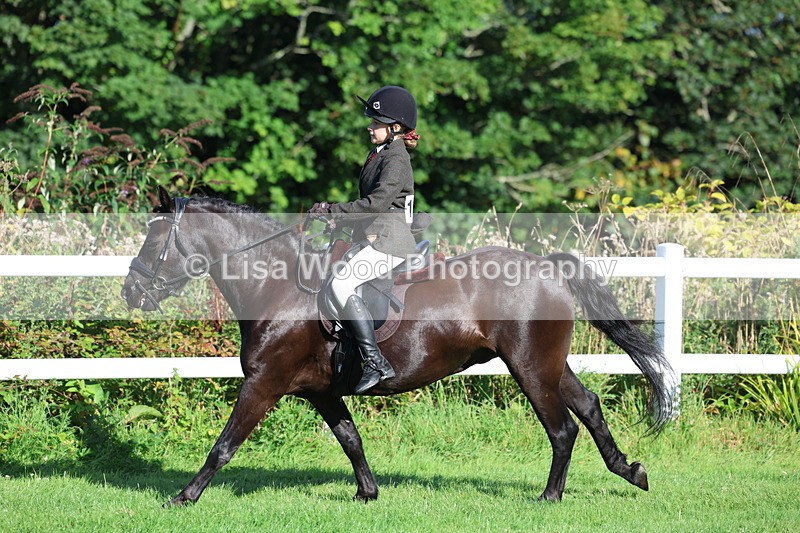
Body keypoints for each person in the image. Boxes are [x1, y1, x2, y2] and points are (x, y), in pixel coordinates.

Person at [309, 85, 420, 394]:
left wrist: (333, 210)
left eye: (376, 122)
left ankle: (375, 362)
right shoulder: (380, 153)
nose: (370, 127)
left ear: (395, 127)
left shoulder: (396, 159)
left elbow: (376, 204)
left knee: (341, 284)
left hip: (390, 241)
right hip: (376, 236)